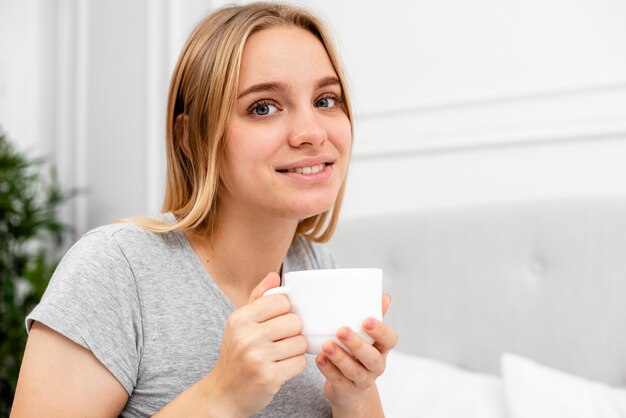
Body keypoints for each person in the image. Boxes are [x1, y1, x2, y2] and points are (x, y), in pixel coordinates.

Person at [10, 2, 398, 417]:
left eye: (325, 99)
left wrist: (354, 396)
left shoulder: (315, 266)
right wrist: (223, 395)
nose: (311, 132)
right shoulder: (116, 269)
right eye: (263, 107)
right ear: (190, 138)